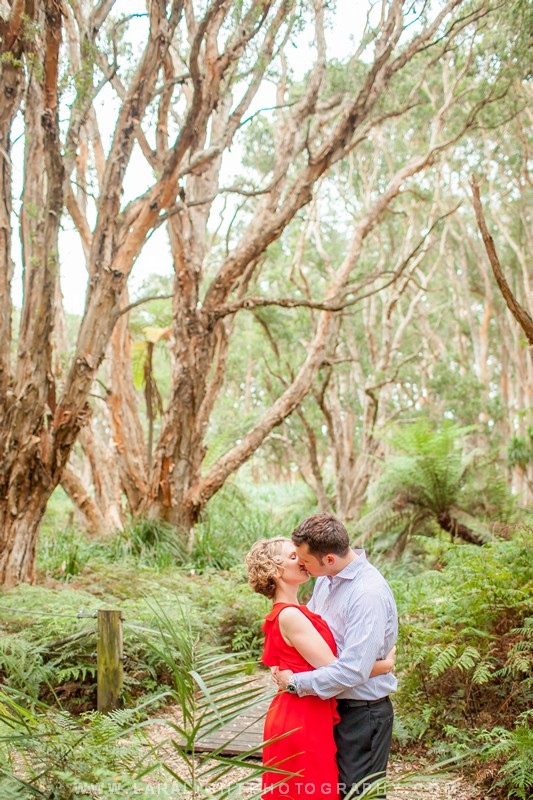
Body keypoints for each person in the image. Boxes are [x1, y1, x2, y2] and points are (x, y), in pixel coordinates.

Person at [246, 537, 395, 800]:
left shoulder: (301, 608)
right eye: (294, 557)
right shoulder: (291, 615)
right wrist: (384, 665)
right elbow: (339, 668)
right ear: (275, 570)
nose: (302, 562)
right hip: (301, 716)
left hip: (309, 710)